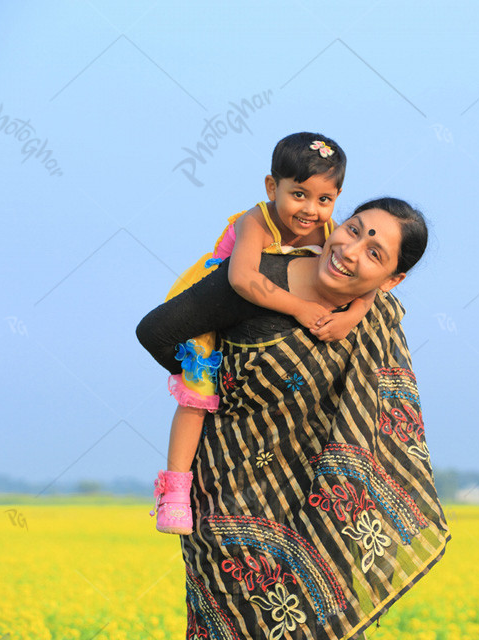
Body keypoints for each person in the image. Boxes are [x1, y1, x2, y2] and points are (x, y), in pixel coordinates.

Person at [137, 198, 449, 639]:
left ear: (392, 280)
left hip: (322, 510)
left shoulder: (375, 316)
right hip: (229, 499)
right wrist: (218, 384)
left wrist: (358, 308)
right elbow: (156, 332)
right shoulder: (256, 279)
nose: (351, 250)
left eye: (374, 254)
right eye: (354, 230)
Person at [149, 132, 376, 535]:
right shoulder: (255, 221)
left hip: (263, 313)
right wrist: (303, 309)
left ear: (337, 197)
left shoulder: (333, 233)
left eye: (324, 200)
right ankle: (175, 492)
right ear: (272, 187)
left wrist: (353, 316)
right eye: (299, 195)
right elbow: (241, 280)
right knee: (196, 393)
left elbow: (369, 281)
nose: (311, 210)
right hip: (212, 307)